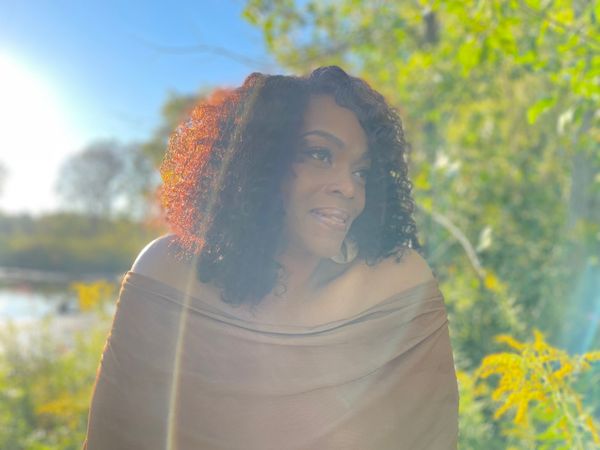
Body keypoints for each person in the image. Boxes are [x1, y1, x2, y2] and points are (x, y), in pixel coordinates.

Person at [83, 66, 458, 449]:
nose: (348, 187)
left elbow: (432, 438)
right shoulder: (166, 272)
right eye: (319, 154)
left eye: (362, 172)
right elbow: (113, 438)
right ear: (259, 160)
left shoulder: (396, 288)